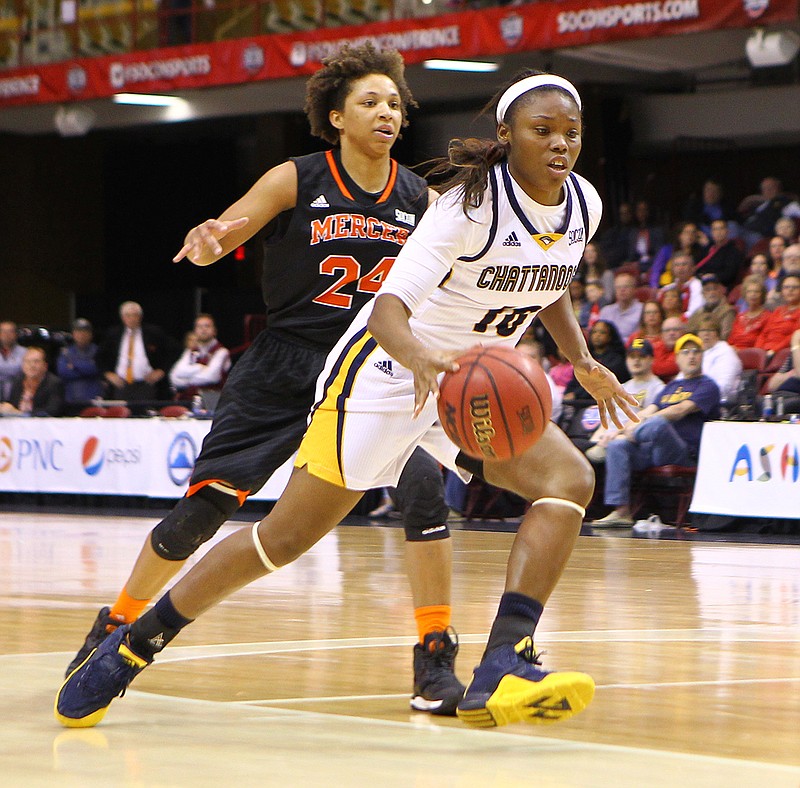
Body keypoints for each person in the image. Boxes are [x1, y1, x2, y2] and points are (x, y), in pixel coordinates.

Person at [56, 70, 637, 731]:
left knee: (568, 480)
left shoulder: (581, 203)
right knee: (284, 538)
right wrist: (420, 359)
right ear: (506, 135)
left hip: (463, 385)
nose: (561, 144)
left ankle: (505, 657)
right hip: (385, 374)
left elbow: (551, 277)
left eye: (573, 133)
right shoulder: (465, 208)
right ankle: (134, 645)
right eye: (544, 131)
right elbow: (387, 310)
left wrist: (583, 360)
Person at [62, 44, 465, 718]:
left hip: (372, 364)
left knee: (425, 485)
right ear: (336, 116)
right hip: (287, 359)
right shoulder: (298, 178)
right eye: (370, 102)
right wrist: (212, 240)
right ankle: (116, 625)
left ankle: (434, 658)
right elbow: (231, 229)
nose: (386, 112)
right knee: (203, 510)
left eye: (394, 103)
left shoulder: (419, 197)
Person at [592, 333, 720, 527]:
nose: (691, 356)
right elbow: (645, 412)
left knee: (659, 423)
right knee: (618, 446)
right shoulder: (671, 387)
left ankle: (631, 436)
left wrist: (637, 428)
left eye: (696, 351)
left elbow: (679, 410)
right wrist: (620, 433)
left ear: (703, 356)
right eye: (685, 352)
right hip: (654, 448)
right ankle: (622, 512)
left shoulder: (708, 385)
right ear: (677, 358)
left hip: (683, 451)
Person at [584, 338, 664, 463]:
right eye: (632, 356)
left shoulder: (658, 388)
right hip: (606, 439)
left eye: (642, 356)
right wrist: (594, 441)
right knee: (576, 448)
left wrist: (615, 435)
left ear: (651, 359)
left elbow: (647, 423)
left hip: (629, 442)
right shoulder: (622, 387)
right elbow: (608, 421)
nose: (636, 360)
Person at [97, 301, 175, 401]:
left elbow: (173, 351)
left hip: (146, 384)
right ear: (122, 317)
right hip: (121, 385)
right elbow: (99, 357)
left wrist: (162, 370)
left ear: (140, 317)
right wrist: (107, 374)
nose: (132, 319)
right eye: (128, 316)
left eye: (135, 315)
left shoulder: (153, 333)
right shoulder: (113, 334)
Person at [169, 313, 231, 409]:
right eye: (199, 326)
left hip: (213, 405)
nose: (203, 329)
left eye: (207, 326)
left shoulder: (221, 352)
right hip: (188, 403)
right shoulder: (190, 351)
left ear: (214, 331)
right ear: (195, 330)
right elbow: (174, 377)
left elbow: (211, 377)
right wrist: (200, 368)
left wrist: (186, 378)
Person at [564, 319, 629, 401]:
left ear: (610, 337)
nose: (597, 335)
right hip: (579, 402)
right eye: (594, 332)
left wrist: (576, 395)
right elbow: (575, 381)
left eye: (602, 332)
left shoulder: (616, 360)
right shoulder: (586, 358)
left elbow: (600, 382)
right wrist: (568, 393)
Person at [0, 345, 64, 416]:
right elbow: (12, 406)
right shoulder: (17, 381)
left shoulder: (54, 383)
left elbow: (51, 412)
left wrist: (19, 413)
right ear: (22, 365)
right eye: (28, 361)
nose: (32, 365)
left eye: (36, 361)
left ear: (45, 366)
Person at [693, 315, 742, 403]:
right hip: (696, 400)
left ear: (717, 334)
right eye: (702, 330)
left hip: (718, 404)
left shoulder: (726, 352)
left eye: (710, 330)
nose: (706, 334)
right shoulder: (695, 353)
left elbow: (724, 387)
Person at [56, 318, 103, 407]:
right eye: (78, 331)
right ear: (73, 334)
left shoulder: (97, 351)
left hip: (93, 398)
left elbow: (95, 369)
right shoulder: (66, 351)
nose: (82, 335)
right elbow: (63, 372)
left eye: (85, 332)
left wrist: (74, 365)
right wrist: (85, 367)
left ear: (91, 334)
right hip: (71, 398)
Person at [648, 220, 707, 288]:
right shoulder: (667, 250)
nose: (690, 236)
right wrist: (654, 286)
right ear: (680, 235)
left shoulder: (700, 252)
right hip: (668, 285)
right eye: (687, 232)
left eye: (693, 233)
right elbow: (656, 270)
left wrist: (706, 245)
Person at [756, 273, 800, 357]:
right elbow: (764, 333)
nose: (790, 290)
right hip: (765, 352)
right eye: (786, 287)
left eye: (795, 287)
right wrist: (758, 351)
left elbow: (794, 336)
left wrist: (774, 350)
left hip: (784, 353)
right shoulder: (778, 310)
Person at [693, 219, 745, 289]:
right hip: (700, 281)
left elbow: (729, 273)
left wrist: (713, 276)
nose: (718, 232)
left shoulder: (733, 251)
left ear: (727, 231)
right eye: (715, 229)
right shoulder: (708, 248)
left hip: (719, 285)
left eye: (721, 229)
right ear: (711, 232)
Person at [685, 273, 735, 339]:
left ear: (721, 290)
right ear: (703, 293)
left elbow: (724, 336)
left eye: (715, 289)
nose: (712, 292)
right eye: (707, 290)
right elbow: (688, 333)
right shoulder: (697, 313)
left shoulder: (728, 311)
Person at [598, 271, 643, 343]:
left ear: (634, 289)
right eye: (618, 287)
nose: (622, 290)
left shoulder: (642, 310)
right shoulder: (606, 311)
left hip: (633, 349)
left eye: (626, 286)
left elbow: (642, 337)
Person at [727, 275, 770, 349]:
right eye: (749, 292)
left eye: (756, 292)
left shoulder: (768, 317)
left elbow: (761, 342)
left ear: (762, 295)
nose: (753, 295)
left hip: (752, 355)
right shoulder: (739, 317)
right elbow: (731, 340)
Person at [598, 200, 635, 268]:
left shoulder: (635, 231)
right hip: (615, 265)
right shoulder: (613, 232)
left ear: (631, 214)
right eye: (622, 214)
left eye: (626, 213)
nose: (624, 216)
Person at [0, 320, 26, 401]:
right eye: (3, 331)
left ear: (15, 334)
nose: (7, 335)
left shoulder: (25, 352)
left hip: (19, 391)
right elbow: (14, 370)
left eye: (10, 331)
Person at [653, 316, 684, 381]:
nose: (671, 333)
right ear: (662, 334)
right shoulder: (656, 347)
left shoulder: (685, 349)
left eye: (675, 329)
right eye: (667, 330)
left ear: (682, 332)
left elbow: (668, 368)